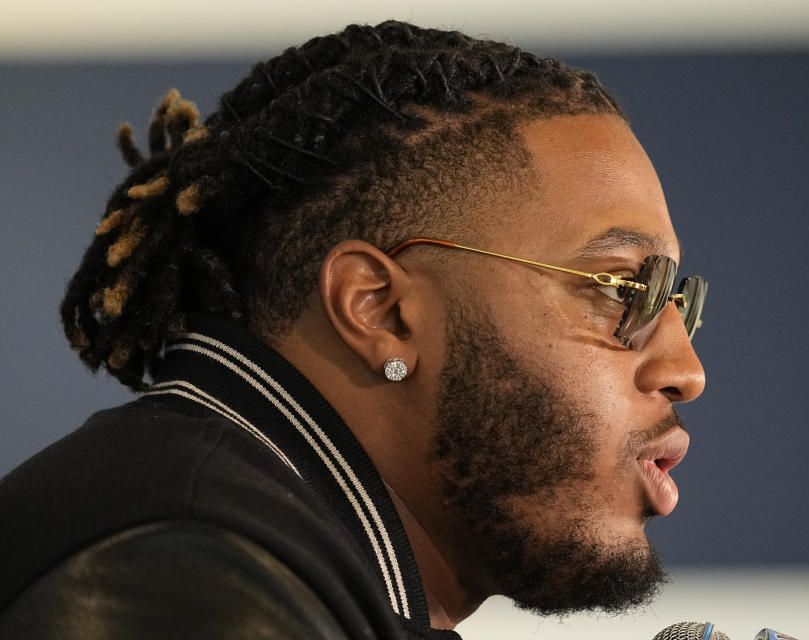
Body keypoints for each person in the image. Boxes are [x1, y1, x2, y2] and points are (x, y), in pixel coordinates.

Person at [0, 20, 706, 639]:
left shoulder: (274, 548)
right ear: (381, 310)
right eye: (624, 289)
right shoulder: (179, 574)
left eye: (679, 300)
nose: (686, 368)